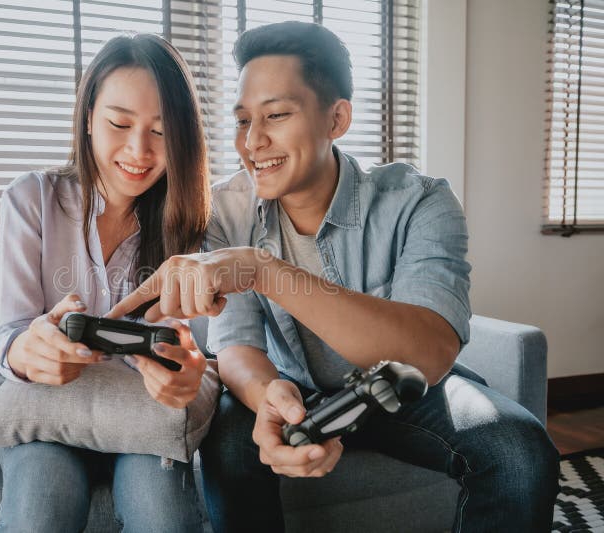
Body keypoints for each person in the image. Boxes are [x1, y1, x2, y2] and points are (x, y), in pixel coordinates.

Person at [108, 21, 560, 532]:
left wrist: (264, 270)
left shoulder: (420, 201)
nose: (253, 141)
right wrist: (268, 397)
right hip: (289, 389)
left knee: (520, 450)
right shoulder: (227, 211)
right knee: (231, 439)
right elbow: (236, 345)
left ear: (337, 118)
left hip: (403, 393)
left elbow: (429, 355)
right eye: (241, 120)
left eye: (276, 115)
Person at [0, 34, 210, 533]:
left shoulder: (191, 224)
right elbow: (7, 333)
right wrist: (28, 350)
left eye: (161, 130)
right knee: (36, 516)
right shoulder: (32, 200)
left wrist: (186, 370)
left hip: (138, 417)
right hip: (48, 419)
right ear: (88, 117)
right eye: (119, 123)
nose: (139, 150)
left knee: (165, 519)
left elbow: (193, 345)